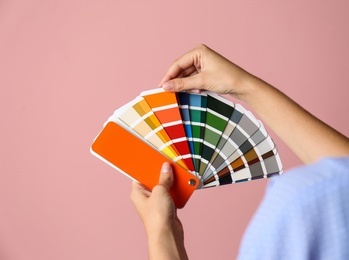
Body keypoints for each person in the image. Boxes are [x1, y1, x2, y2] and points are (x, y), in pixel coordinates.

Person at [130, 44, 349, 259]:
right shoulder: (321, 198)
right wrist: (243, 85)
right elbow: (342, 175)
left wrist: (162, 234)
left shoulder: (297, 208)